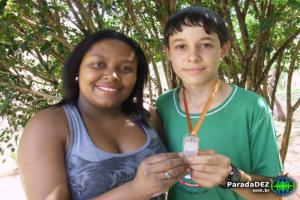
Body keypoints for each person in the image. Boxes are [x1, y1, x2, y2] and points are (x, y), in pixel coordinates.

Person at [17, 30, 188, 200]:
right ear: (77, 69)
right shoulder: (48, 125)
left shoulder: (147, 116)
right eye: (98, 64)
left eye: (126, 68)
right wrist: (136, 190)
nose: (112, 76)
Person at [156, 6, 282, 200]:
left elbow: (278, 190)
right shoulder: (164, 105)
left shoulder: (251, 107)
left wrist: (232, 177)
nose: (193, 56)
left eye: (205, 45)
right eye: (181, 46)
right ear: (168, 53)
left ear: (224, 49)